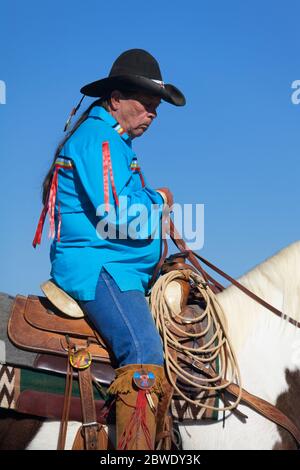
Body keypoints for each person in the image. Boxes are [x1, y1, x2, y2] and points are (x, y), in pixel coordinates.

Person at [32, 49, 186, 450]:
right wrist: (160, 200)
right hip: (99, 268)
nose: (152, 114)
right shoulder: (99, 139)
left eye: (156, 108)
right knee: (143, 350)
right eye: (146, 104)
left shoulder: (115, 142)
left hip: (120, 268)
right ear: (116, 99)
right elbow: (115, 215)